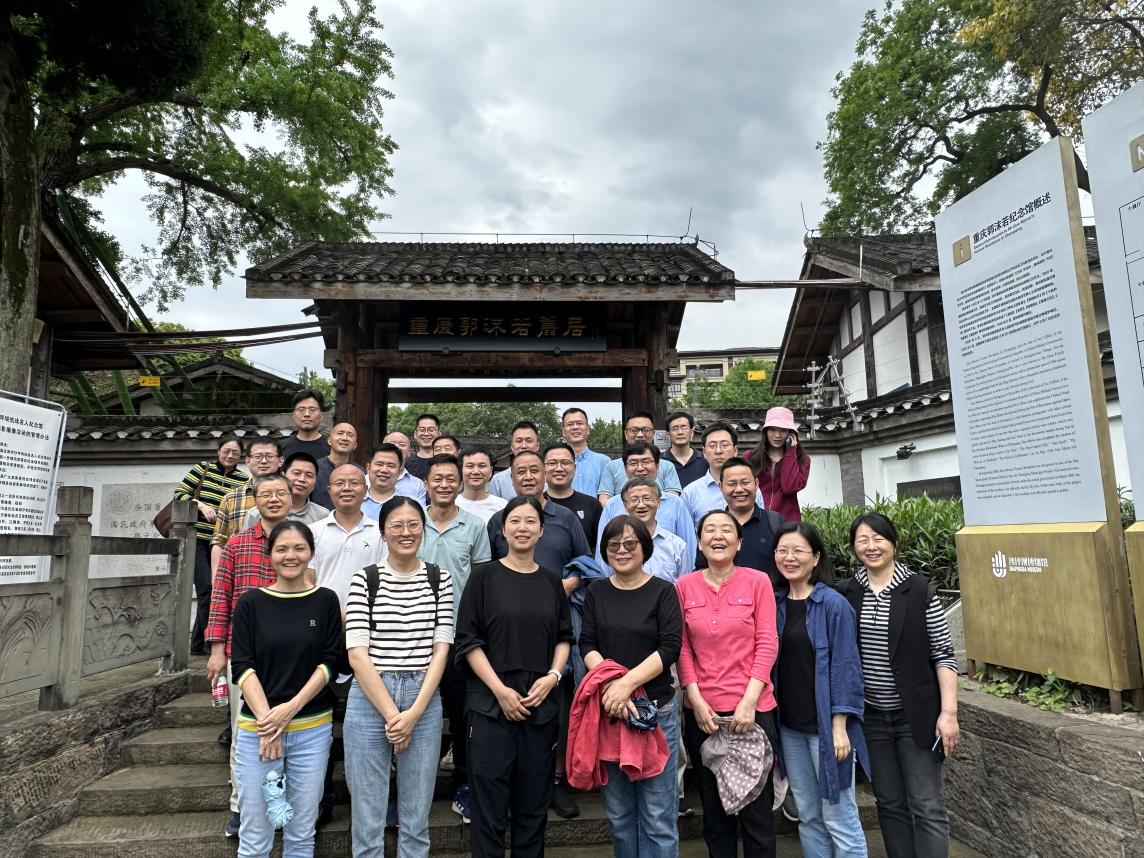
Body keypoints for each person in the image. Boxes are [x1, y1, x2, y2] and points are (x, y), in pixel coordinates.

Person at [455, 495, 574, 858]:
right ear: (503, 530)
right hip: (490, 705)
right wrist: (499, 690)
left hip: (541, 703)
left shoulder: (552, 582)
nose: (523, 528)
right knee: (489, 810)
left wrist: (552, 676)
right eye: (515, 521)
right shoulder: (483, 577)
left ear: (542, 531)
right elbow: (468, 640)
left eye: (530, 521)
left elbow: (564, 638)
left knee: (533, 808)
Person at [840, 513, 959, 858]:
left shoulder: (920, 590)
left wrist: (949, 713)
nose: (871, 546)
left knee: (926, 804)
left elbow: (943, 654)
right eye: (863, 540)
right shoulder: (849, 592)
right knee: (889, 802)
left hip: (916, 716)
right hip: (872, 717)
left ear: (894, 542)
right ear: (854, 547)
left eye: (878, 538)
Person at [345, 497, 453, 858]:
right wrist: (395, 717)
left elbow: (441, 648)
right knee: (367, 814)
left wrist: (414, 713)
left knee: (416, 814)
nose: (406, 532)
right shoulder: (365, 579)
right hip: (371, 694)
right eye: (396, 525)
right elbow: (357, 652)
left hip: (423, 695)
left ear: (423, 529)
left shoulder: (440, 578)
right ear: (383, 532)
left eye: (413, 525)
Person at [484, 449, 590, 818]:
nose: (528, 476)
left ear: (545, 475)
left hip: (555, 622)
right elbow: (489, 568)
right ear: (510, 479)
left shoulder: (564, 518)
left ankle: (555, 780)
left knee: (557, 701)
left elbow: (586, 562)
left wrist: (567, 585)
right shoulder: (500, 520)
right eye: (521, 472)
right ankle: (514, 782)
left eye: (534, 470)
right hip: (508, 627)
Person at [229, 520, 343, 858]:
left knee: (301, 833)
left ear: (311, 553)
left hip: (312, 730)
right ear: (270, 554)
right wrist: (269, 723)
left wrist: (289, 710)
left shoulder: (325, 601)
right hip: (258, 734)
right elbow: (242, 666)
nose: (290, 556)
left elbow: (330, 662)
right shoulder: (250, 603)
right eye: (281, 549)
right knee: (256, 833)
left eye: (299, 548)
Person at [579, 515, 683, 858]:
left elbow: (670, 647)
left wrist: (627, 684)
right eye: (613, 545)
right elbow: (587, 643)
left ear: (645, 548)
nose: (621, 550)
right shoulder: (597, 592)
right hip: (612, 712)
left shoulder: (663, 591)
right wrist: (614, 686)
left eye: (630, 543)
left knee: (658, 816)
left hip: (655, 712)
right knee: (620, 816)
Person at [677, 509, 779, 858]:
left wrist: (749, 702)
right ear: (699, 542)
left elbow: (767, 642)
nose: (718, 536)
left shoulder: (758, 581)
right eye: (709, 530)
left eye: (726, 530)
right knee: (715, 815)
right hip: (703, 715)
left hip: (752, 712)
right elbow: (683, 648)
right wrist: (695, 698)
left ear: (739, 543)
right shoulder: (684, 586)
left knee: (757, 815)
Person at [772, 520, 868, 858]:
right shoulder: (775, 603)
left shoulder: (833, 604)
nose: (789, 558)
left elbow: (846, 667)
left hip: (826, 729)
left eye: (798, 551)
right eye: (783, 550)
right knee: (808, 815)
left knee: (840, 817)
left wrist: (840, 726)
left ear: (815, 558)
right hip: (790, 728)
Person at [205, 473, 293, 838]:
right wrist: (216, 649)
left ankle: (279, 806)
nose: (273, 499)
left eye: (280, 493)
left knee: (288, 730)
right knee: (246, 732)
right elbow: (220, 596)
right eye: (265, 493)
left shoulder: (301, 541)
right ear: (255, 499)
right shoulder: (238, 543)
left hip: (290, 655)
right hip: (243, 654)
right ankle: (240, 807)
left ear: (291, 498)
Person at [418, 454, 493, 824]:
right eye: (438, 478)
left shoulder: (474, 525)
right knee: (415, 712)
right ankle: (411, 790)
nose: (445, 484)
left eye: (451, 478)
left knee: (464, 715)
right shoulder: (412, 521)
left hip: (459, 634)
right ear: (426, 484)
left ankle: (464, 784)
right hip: (415, 632)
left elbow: (481, 583)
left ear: (460, 483)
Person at [175, 435, 250, 656]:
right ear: (218, 451)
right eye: (226, 451)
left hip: (221, 542)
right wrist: (200, 505)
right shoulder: (202, 469)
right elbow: (179, 494)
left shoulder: (243, 479)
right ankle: (210, 641)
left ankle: (198, 644)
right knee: (207, 589)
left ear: (241, 456)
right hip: (197, 539)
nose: (230, 455)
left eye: (235, 453)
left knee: (217, 590)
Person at [596, 444, 697, 567]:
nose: (640, 468)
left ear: (657, 466)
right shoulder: (612, 504)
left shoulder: (675, 503)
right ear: (625, 469)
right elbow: (602, 552)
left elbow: (689, 548)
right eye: (633, 463)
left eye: (646, 462)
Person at [695, 460, 785, 582]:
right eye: (732, 483)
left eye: (745, 482)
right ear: (721, 487)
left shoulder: (777, 525)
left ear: (756, 484)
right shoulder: (711, 529)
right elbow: (701, 573)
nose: (739, 489)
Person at [209, 439, 283, 585]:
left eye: (269, 456)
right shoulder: (231, 498)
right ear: (247, 461)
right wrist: (217, 581)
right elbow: (219, 542)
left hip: (282, 575)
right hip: (241, 576)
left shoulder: (289, 496)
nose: (263, 461)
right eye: (258, 456)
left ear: (280, 461)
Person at [598, 477, 688, 583]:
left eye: (647, 498)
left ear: (658, 502)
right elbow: (606, 580)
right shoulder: (615, 547)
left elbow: (685, 586)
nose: (641, 505)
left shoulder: (677, 546)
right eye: (634, 500)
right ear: (625, 506)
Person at [681, 423, 762, 526]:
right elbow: (686, 533)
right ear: (704, 452)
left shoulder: (750, 489)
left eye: (724, 445)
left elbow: (760, 524)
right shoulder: (690, 493)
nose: (718, 451)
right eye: (712, 446)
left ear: (735, 450)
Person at [597, 412, 682, 504]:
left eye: (646, 430)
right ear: (626, 434)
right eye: (634, 430)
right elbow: (604, 500)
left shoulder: (667, 466)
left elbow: (672, 500)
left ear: (653, 434)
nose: (640, 435)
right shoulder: (611, 466)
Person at [747, 407, 811, 521]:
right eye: (772, 429)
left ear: (791, 434)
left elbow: (789, 488)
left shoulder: (802, 460)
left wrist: (791, 452)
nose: (777, 435)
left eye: (783, 430)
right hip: (756, 519)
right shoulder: (750, 457)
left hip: (788, 522)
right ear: (766, 431)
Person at [543, 441, 602, 553]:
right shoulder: (535, 504)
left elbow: (599, 547)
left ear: (574, 468)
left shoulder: (592, 505)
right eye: (552, 463)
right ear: (543, 468)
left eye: (565, 463)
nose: (559, 468)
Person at [245, 452, 328, 528]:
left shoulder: (323, 515)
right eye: (297, 473)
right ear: (283, 476)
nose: (302, 479)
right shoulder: (256, 513)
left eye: (309, 475)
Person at [364, 442, 428, 519]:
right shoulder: (354, 501)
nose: (384, 470)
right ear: (368, 467)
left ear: (399, 471)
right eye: (379, 464)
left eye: (391, 466)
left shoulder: (413, 504)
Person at [561, 407, 611, 496]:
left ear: (588, 429)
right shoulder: (555, 463)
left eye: (579, 423)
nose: (575, 427)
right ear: (563, 431)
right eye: (570, 424)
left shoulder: (604, 462)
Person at [488, 421, 541, 500]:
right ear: (512, 446)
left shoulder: (548, 478)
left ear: (537, 446)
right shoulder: (498, 481)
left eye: (529, 441)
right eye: (519, 441)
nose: (524, 446)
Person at [312, 423, 360, 509]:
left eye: (350, 435)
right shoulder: (314, 468)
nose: (345, 438)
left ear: (355, 445)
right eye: (340, 433)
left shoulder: (360, 473)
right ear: (329, 440)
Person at [457, 447, 508, 523]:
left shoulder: (503, 506)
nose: (476, 472)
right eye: (470, 466)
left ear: (491, 471)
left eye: (482, 466)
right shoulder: (452, 505)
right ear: (460, 470)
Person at [279, 389, 331, 462]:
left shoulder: (332, 448)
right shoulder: (280, 448)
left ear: (321, 415)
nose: (307, 414)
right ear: (293, 415)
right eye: (301, 409)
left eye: (312, 409)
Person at [662, 411, 707, 488]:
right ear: (668, 435)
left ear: (692, 432)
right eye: (675, 429)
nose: (680, 432)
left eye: (684, 428)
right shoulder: (660, 461)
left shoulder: (705, 460)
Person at [406, 413, 440, 479]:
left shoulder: (447, 462)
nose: (426, 434)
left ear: (439, 433)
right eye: (422, 430)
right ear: (415, 434)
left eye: (431, 430)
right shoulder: (406, 464)